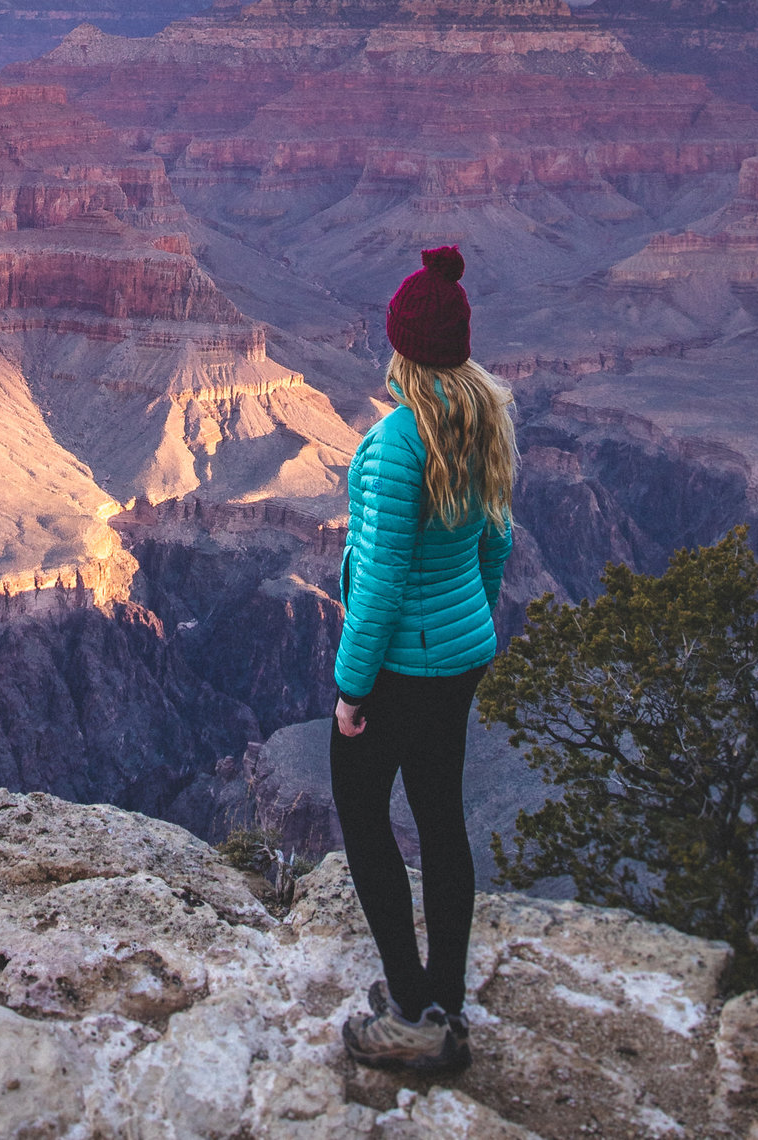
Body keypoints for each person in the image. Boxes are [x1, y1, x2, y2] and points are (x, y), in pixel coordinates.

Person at [331, 245, 516, 1075]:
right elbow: (495, 544)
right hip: (463, 656)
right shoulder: (485, 420)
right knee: (441, 819)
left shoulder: (394, 445)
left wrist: (350, 688)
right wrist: (471, 616)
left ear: (399, 347)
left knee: (365, 816)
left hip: (400, 667)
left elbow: (377, 584)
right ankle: (448, 999)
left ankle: (410, 1013)